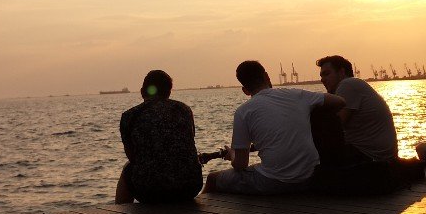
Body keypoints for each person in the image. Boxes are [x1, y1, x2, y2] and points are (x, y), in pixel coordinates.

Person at [205, 60, 346, 195]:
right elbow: (340, 101)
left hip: (273, 182)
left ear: (245, 91)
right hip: (310, 176)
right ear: (267, 76)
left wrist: (232, 155)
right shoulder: (298, 95)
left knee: (212, 179)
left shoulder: (243, 111)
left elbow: (241, 164)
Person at [115, 69, 203, 204]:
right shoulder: (184, 110)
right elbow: (190, 141)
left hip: (150, 191)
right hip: (190, 187)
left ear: (142, 91)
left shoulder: (130, 116)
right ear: (169, 92)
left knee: (128, 168)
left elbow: (132, 156)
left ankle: (121, 212)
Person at [315, 55, 398, 163]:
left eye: (327, 74)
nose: (322, 80)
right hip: (378, 154)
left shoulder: (348, 85)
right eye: (321, 76)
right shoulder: (353, 85)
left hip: (370, 156)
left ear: (341, 72)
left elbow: (336, 125)